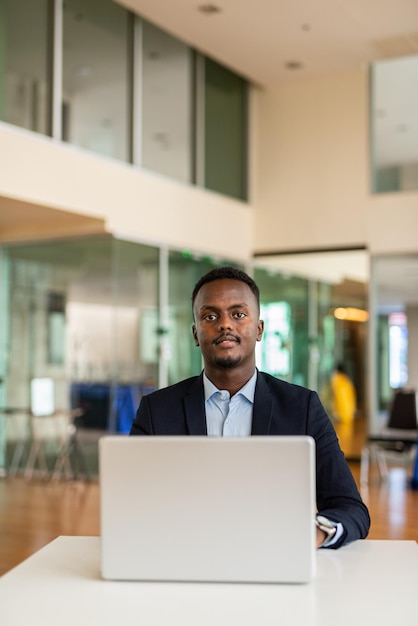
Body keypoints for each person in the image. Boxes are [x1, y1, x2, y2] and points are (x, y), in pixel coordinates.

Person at [130, 266, 370, 549]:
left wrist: (314, 533)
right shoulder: (156, 410)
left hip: (272, 560)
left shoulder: (301, 408)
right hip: (184, 557)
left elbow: (350, 508)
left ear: (259, 329)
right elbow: (130, 501)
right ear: (196, 334)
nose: (225, 324)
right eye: (210, 316)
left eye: (238, 314)